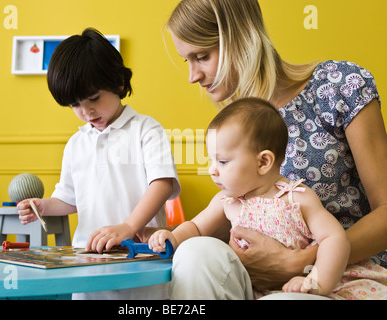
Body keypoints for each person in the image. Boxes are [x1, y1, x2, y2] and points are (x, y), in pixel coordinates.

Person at [153, 0, 387, 299]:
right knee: (197, 254)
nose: (192, 76)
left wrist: (303, 260)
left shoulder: (338, 86)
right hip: (258, 281)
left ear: (240, 37)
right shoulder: (237, 124)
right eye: (187, 61)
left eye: (201, 56)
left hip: (338, 278)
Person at [17, 28, 180, 299]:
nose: (86, 112)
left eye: (93, 98)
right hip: (88, 262)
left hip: (140, 261)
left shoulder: (146, 129)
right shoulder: (75, 144)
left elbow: (161, 184)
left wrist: (128, 227)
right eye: (75, 105)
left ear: (117, 82)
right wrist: (44, 206)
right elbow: (69, 199)